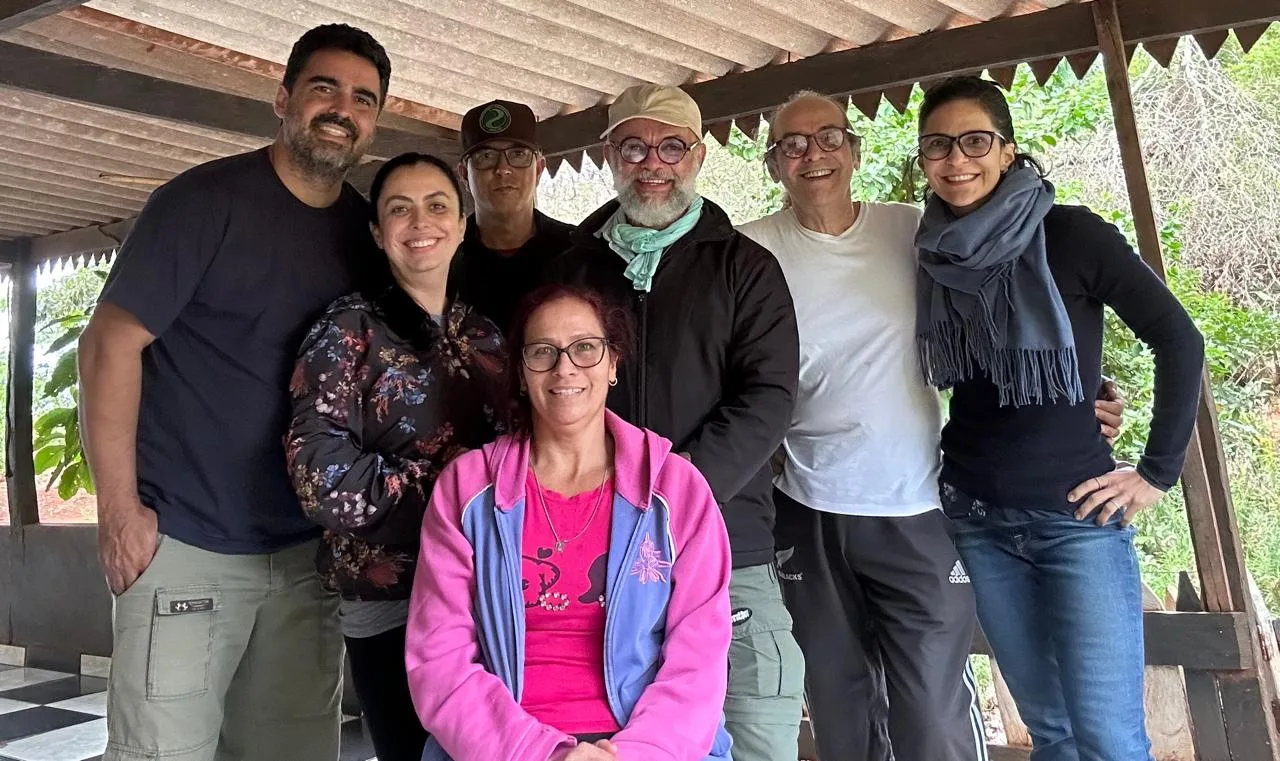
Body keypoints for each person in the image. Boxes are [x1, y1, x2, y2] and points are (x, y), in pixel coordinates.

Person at [743, 90, 1129, 761]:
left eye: (829, 137)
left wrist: (1082, 390)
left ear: (855, 150)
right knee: (840, 707)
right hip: (805, 507)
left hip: (918, 503)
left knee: (932, 718)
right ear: (774, 163)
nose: (814, 155)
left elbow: (1006, 312)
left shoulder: (914, 232)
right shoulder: (747, 251)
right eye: (792, 144)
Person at [78, 24, 390, 761]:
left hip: (304, 556)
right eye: (324, 87)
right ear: (283, 98)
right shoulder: (199, 204)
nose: (342, 108)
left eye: (363, 98)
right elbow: (110, 342)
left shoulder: (366, 230)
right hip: (188, 543)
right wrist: (118, 511)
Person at [914, 76, 1204, 761]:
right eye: (938, 145)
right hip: (975, 516)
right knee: (1053, 732)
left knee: (1109, 737)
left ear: (1008, 151)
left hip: (1077, 521)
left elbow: (1179, 339)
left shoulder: (1070, 234)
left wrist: (1157, 471)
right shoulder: (930, 253)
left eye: (975, 141)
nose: (957, 160)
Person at [551, 84, 803, 761]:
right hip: (595, 557)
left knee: (752, 736)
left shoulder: (745, 267)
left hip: (727, 548)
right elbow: (550, 392)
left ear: (697, 154)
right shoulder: (574, 268)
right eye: (634, 146)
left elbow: (770, 396)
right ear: (609, 154)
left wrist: (670, 494)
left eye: (671, 147)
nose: (652, 163)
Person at [406, 283, 734, 761]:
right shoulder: (467, 489)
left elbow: (699, 662)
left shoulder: (677, 490)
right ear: (521, 372)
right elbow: (440, 662)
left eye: (585, 348)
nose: (565, 367)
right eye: (543, 352)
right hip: (505, 749)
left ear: (613, 363)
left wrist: (633, 755)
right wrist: (546, 754)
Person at [284, 152, 506, 761]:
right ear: (379, 233)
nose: (420, 222)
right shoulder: (348, 329)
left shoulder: (488, 337)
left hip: (491, 597)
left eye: (437, 206)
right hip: (393, 603)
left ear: (462, 224)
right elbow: (321, 479)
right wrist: (460, 500)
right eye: (399, 209)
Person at [450, 99, 575, 333]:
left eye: (518, 154)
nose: (503, 169)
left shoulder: (578, 252)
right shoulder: (442, 256)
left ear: (538, 169)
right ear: (464, 175)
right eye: (485, 157)